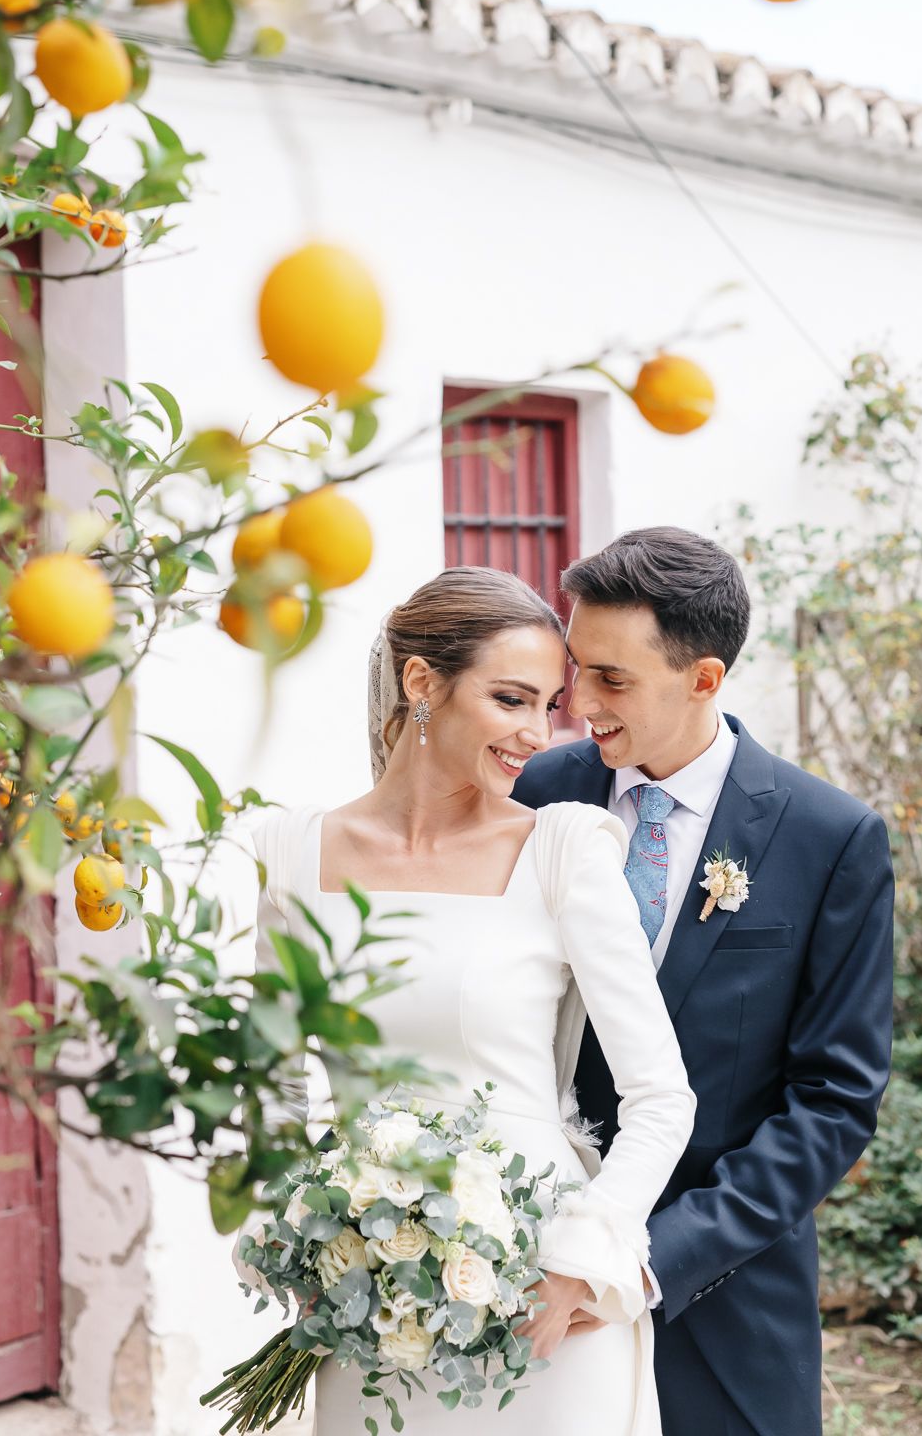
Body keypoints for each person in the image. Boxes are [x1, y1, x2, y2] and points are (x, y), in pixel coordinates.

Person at [244, 565, 696, 1432]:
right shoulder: (293, 855)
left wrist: (584, 1254)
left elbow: (659, 1097)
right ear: (422, 682)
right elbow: (273, 1092)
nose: (539, 732)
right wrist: (305, 1240)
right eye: (511, 699)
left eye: (549, 704)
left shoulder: (563, 849)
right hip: (367, 1312)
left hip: (544, 1310)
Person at [513, 526, 895, 1436]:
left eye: (612, 680)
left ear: (704, 679)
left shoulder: (829, 838)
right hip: (526, 1276)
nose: (580, 706)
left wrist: (647, 1258)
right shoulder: (533, 797)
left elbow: (833, 1102)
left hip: (720, 1300)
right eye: (577, 670)